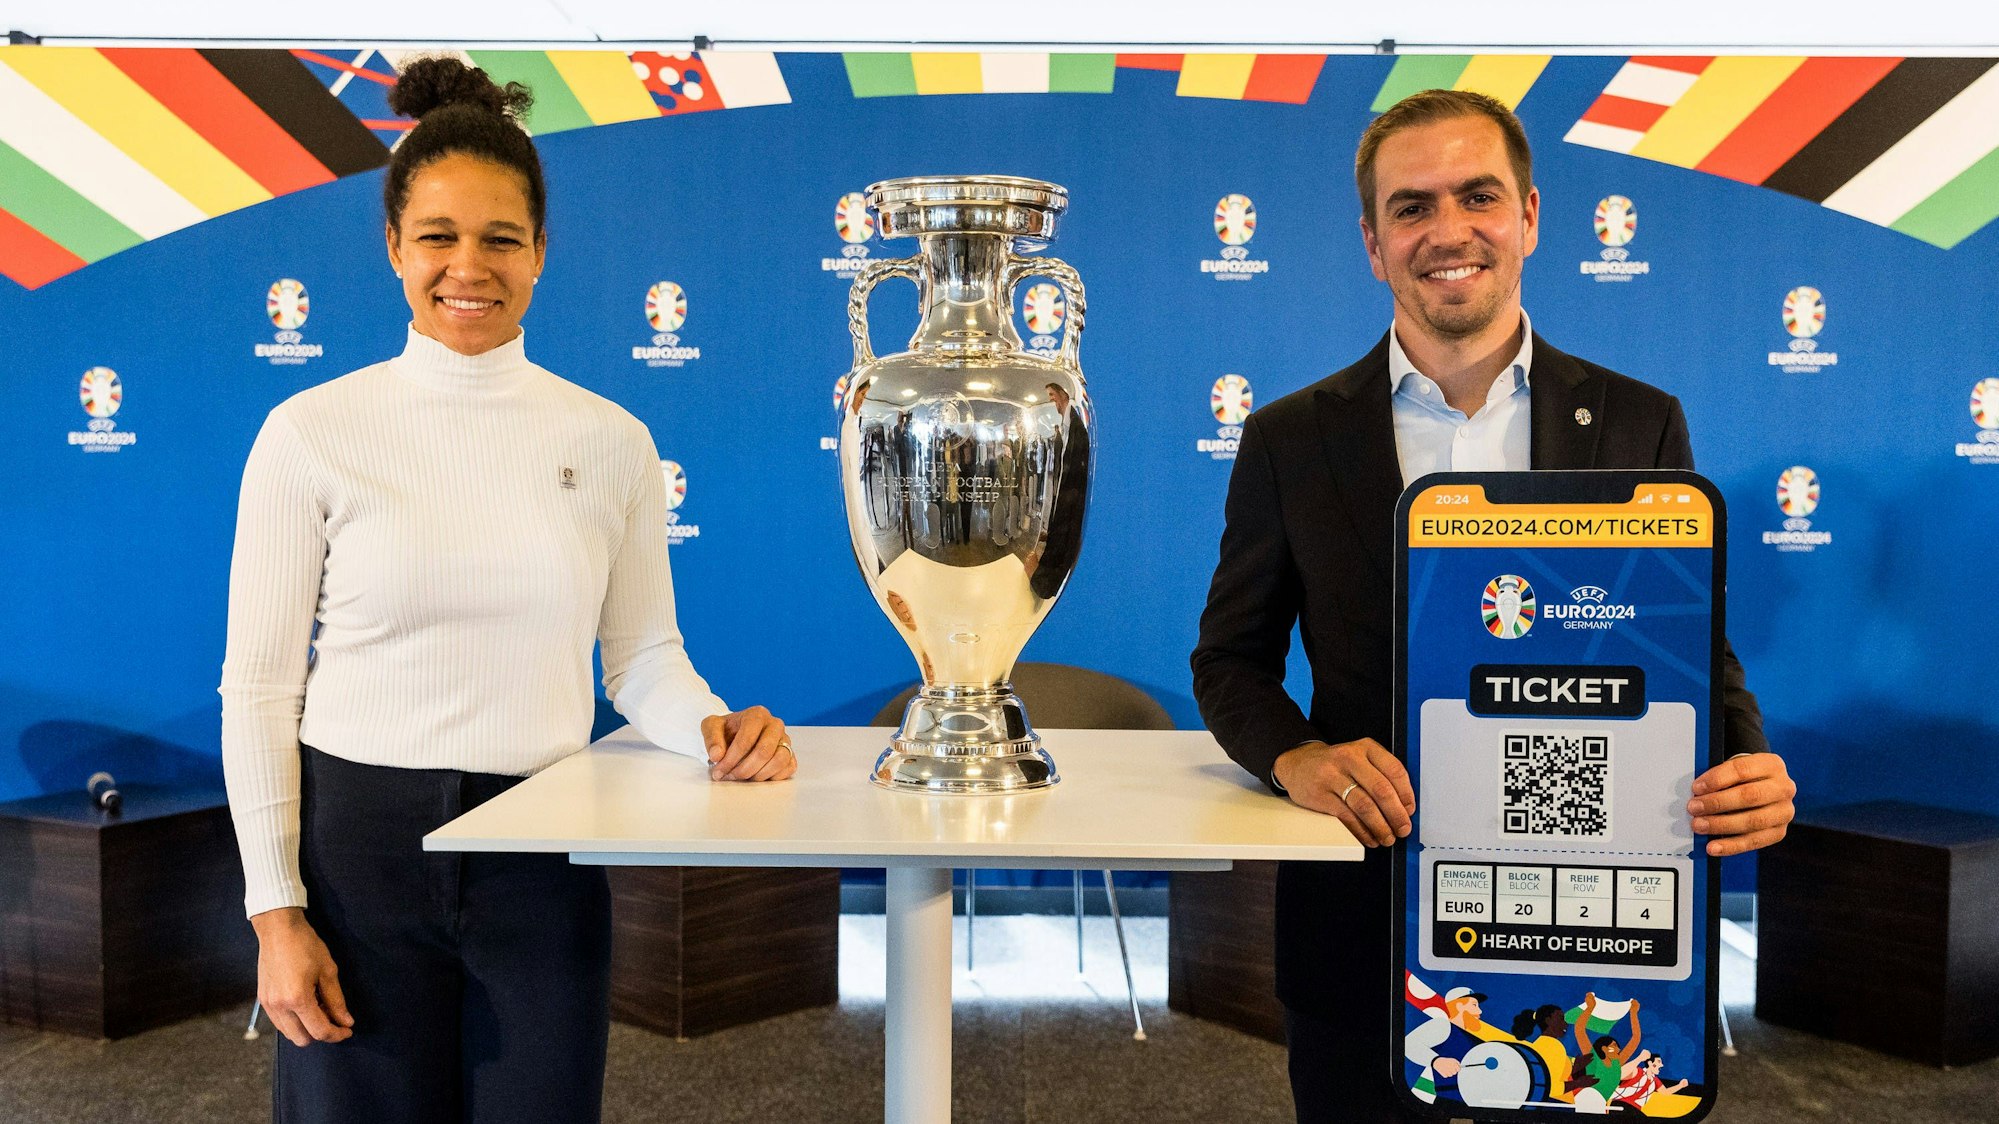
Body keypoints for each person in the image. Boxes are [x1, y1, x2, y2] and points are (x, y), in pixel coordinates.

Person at [1189, 87, 1797, 1123]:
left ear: (1528, 216)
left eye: (1477, 196)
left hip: (1597, 950)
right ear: (1374, 244)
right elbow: (1229, 662)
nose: (1447, 231)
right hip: (1364, 936)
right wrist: (1298, 757)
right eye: (1411, 207)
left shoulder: (1641, 422)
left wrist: (1746, 765)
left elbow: (1690, 650)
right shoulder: (1291, 437)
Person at [218, 57, 795, 1124]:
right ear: (394, 246)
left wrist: (711, 726)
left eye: (500, 237)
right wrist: (275, 911)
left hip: (540, 852)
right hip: (357, 859)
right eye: (437, 235)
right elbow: (257, 688)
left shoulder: (611, 438)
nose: (466, 265)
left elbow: (641, 660)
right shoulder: (309, 432)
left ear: (541, 252)